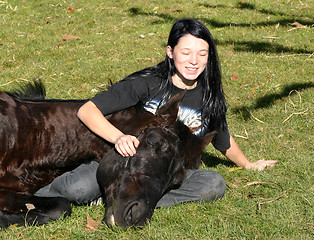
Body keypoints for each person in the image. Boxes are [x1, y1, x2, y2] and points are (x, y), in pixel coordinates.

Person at [35, 18, 277, 206]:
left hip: (167, 174)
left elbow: (222, 139)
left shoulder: (209, 95)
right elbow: (87, 110)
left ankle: (128, 200)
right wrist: (118, 138)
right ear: (170, 52)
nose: (194, 61)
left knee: (213, 184)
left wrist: (247, 164)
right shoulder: (148, 83)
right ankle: (29, 200)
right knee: (75, 189)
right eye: (185, 53)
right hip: (123, 164)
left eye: (202, 54)